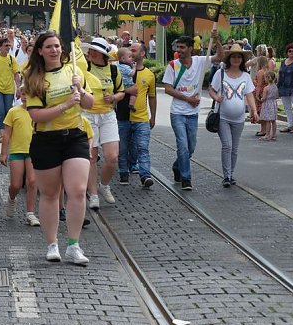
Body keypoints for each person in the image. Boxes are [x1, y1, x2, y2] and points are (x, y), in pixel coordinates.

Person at [25, 30, 95, 265]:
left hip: (75, 136)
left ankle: (73, 245)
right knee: (51, 194)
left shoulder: (74, 71)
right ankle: (52, 243)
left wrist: (81, 90)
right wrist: (65, 104)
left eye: (57, 46)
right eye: (49, 47)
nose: (54, 50)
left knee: (77, 190)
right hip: (46, 140)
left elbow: (89, 103)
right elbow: (36, 115)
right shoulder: (34, 78)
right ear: (40, 51)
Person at [163, 35, 216, 190]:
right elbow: (168, 89)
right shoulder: (173, 65)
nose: (179, 50)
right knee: (183, 146)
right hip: (178, 113)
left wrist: (216, 40)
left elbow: (220, 56)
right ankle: (186, 178)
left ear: (190, 48)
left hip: (192, 114)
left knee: (191, 147)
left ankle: (177, 166)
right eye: (177, 47)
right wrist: (187, 99)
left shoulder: (200, 61)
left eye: (182, 47)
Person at [82, 37, 125, 207]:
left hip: (107, 115)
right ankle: (93, 194)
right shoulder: (85, 68)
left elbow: (121, 92)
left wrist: (113, 97)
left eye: (94, 51)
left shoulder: (113, 70)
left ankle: (104, 185)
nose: (90, 53)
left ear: (102, 54)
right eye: (90, 50)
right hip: (88, 115)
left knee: (112, 156)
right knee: (91, 157)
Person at [209, 44, 259, 187]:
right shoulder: (221, 73)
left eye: (239, 57)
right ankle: (227, 176)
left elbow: (249, 95)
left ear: (242, 60)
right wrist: (216, 97)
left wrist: (254, 111)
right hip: (223, 117)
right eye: (233, 56)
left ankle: (231, 174)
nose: (236, 59)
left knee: (234, 148)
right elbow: (212, 90)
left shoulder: (246, 76)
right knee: (227, 146)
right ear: (229, 58)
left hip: (239, 119)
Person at [117, 41, 157, 187]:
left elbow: (152, 96)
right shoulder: (119, 70)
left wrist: (153, 116)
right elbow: (113, 90)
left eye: (134, 50)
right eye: (130, 50)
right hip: (123, 116)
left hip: (141, 118)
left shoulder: (149, 75)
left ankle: (145, 175)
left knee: (142, 147)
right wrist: (128, 91)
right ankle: (123, 173)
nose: (131, 53)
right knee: (122, 148)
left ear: (142, 54)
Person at [1, 86, 40, 226]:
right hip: (17, 151)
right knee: (16, 185)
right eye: (23, 94)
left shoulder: (39, 112)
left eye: (28, 94)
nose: (25, 97)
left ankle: (30, 213)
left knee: (32, 181)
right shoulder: (14, 112)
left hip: (34, 151)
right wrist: (4, 152)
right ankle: (11, 198)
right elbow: (7, 133)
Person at [0, 37, 21, 139]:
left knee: (8, 110)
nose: (8, 47)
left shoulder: (12, 59)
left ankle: (8, 132)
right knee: (0, 111)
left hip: (9, 89)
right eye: (6, 45)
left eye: (9, 45)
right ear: (0, 47)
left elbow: (16, 75)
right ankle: (2, 135)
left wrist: (19, 88)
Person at [277, 43, 293, 133]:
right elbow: (279, 74)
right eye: (289, 51)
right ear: (287, 52)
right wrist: (277, 84)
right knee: (287, 107)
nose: (291, 52)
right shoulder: (283, 62)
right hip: (283, 87)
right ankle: (290, 125)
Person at [257, 70, 279, 141]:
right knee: (273, 121)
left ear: (267, 78)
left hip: (267, 104)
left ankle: (267, 135)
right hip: (273, 103)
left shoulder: (266, 88)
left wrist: (260, 98)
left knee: (267, 121)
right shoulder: (275, 86)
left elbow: (264, 98)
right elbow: (277, 96)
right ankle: (274, 135)